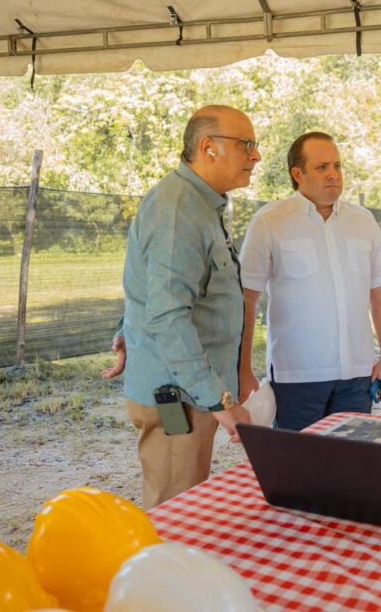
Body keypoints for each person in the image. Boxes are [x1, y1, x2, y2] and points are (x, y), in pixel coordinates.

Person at [102, 105, 259, 509]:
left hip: (188, 392)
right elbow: (169, 314)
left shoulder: (197, 203)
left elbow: (151, 286)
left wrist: (127, 333)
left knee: (182, 505)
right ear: (208, 147)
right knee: (175, 512)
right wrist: (218, 399)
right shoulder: (178, 210)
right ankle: (160, 575)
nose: (256, 156)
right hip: (180, 399)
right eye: (247, 145)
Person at [238, 132, 381, 431]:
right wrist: (243, 369)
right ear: (297, 174)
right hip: (296, 378)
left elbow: (380, 292)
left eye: (337, 166)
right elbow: (247, 298)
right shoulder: (270, 221)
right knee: (299, 469)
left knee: (353, 466)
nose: (333, 175)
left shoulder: (363, 221)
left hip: (357, 375)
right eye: (322, 167)